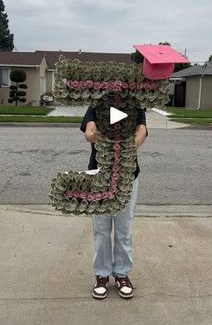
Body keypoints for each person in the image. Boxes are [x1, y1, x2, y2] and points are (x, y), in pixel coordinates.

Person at [80, 105, 148, 299]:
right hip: (99, 174)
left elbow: (141, 130)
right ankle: (101, 275)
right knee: (101, 227)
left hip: (127, 174)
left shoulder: (134, 104)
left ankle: (122, 274)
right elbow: (89, 132)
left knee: (124, 227)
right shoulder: (96, 105)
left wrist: (125, 149)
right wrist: (107, 138)